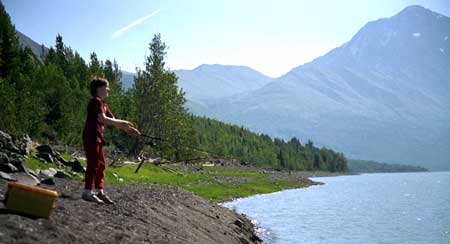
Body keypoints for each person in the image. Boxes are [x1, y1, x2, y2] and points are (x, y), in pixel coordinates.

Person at [82, 77, 140, 204]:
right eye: (106, 87)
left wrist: (130, 130)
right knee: (93, 164)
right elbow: (102, 119)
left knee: (101, 165)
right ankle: (87, 192)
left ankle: (99, 191)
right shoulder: (95, 101)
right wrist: (124, 123)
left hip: (97, 136)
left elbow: (115, 122)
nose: (108, 89)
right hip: (91, 135)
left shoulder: (103, 104)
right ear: (98, 89)